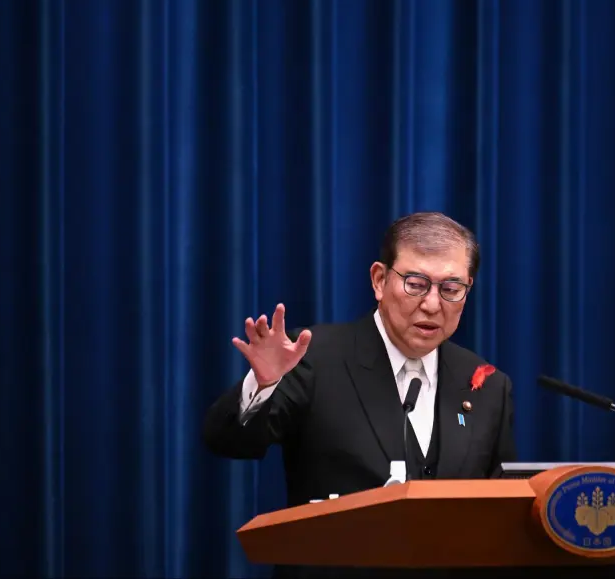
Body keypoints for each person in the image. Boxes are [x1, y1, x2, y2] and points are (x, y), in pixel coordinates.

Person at [202, 212, 518, 578]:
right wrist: (264, 385)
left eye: (450, 289)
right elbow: (228, 441)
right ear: (380, 280)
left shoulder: (487, 384)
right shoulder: (315, 358)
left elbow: (502, 511)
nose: (433, 304)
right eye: (416, 284)